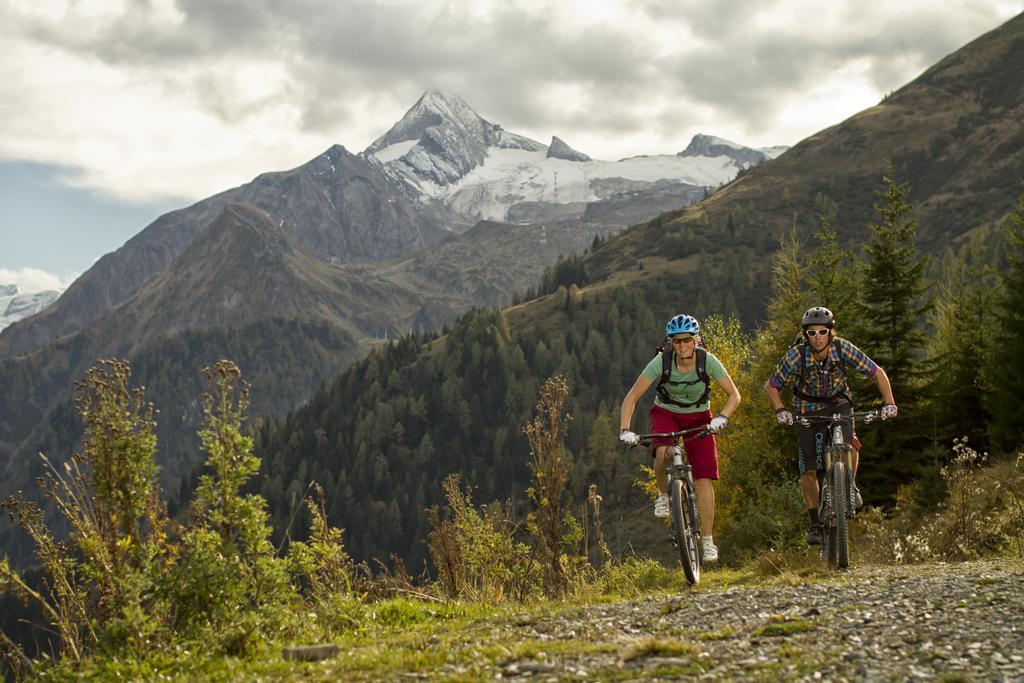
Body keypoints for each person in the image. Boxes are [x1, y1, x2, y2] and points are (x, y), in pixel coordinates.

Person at [764, 306, 897, 545]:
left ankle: (850, 486)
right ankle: (815, 523)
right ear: (805, 335)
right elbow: (771, 385)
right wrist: (781, 409)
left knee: (851, 443)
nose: (817, 337)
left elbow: (877, 372)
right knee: (808, 468)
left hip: (838, 402)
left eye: (822, 332)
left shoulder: (843, 348)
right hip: (807, 407)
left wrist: (889, 402)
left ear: (831, 332)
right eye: (811, 333)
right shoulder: (796, 355)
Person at [619, 314, 741, 563]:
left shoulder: (708, 361)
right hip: (666, 413)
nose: (682, 345)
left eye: (686, 340)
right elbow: (631, 397)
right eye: (676, 341)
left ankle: (707, 541)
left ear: (696, 340)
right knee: (663, 452)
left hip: (699, 417)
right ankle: (664, 495)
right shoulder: (661, 362)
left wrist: (722, 417)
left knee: (704, 478)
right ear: (670, 343)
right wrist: (625, 430)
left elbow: (734, 395)